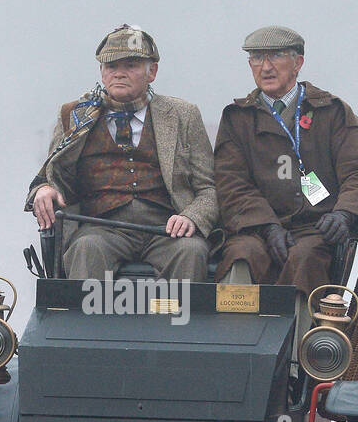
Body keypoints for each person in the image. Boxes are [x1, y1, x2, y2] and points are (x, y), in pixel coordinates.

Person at [25, 25, 217, 281]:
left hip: (167, 229)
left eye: (131, 66)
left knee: (191, 250)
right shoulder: (75, 115)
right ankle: (88, 323)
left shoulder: (183, 115)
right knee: (86, 249)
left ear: (153, 71)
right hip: (101, 229)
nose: (119, 74)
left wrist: (191, 217)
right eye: (111, 67)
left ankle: (175, 321)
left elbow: (208, 189)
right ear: (102, 73)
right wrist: (45, 189)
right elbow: (51, 175)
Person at [214, 26, 358, 297]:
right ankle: (234, 335)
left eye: (276, 56)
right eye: (257, 58)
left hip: (315, 229)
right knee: (241, 257)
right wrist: (268, 227)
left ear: (298, 63)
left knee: (306, 257)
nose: (265, 67)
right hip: (257, 229)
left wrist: (344, 214)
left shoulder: (331, 112)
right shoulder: (238, 118)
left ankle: (298, 339)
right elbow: (231, 183)